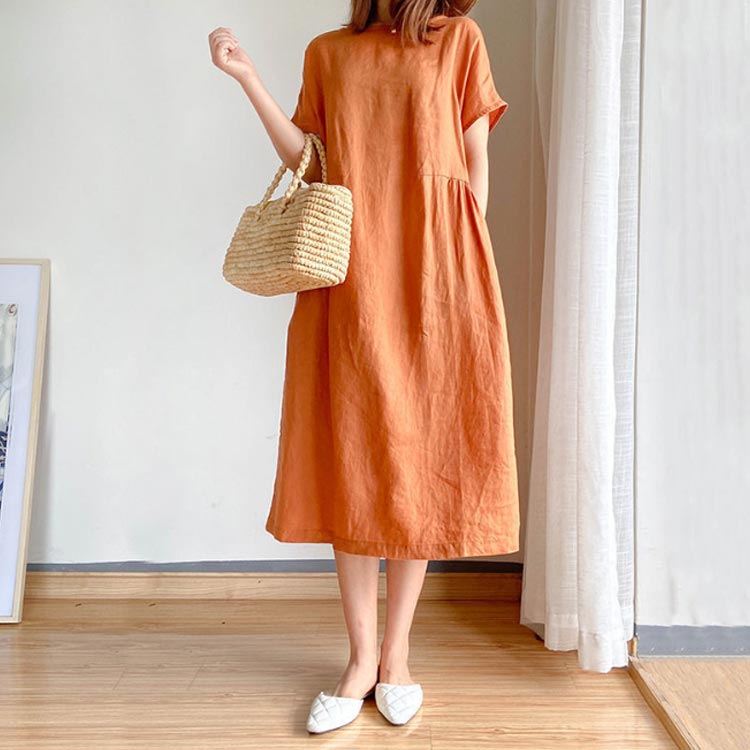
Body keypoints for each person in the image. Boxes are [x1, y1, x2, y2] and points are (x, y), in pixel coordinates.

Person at [208, 0, 520, 734]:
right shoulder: (330, 52)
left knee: (418, 459)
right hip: (351, 273)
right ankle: (358, 660)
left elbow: (474, 164)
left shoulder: (459, 40)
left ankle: (396, 656)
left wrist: (463, 268)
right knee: (354, 457)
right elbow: (308, 160)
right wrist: (248, 78)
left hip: (439, 272)